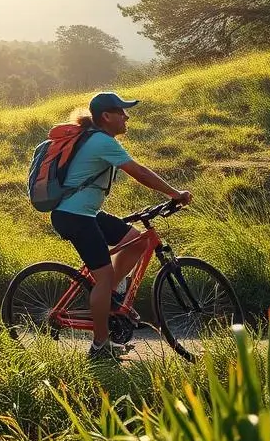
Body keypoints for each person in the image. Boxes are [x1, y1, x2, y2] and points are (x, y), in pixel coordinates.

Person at [50, 91, 192, 363]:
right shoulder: (101, 141)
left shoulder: (96, 138)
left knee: (137, 241)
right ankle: (100, 346)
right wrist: (174, 193)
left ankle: (109, 300)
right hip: (74, 216)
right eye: (122, 112)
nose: (127, 116)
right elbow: (139, 172)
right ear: (106, 116)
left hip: (85, 213)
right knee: (102, 277)